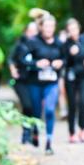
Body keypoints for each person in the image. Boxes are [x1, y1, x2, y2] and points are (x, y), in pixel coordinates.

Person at [27, 16, 65, 155]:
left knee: (49, 110)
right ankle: (35, 132)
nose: (49, 29)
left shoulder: (59, 44)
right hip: (35, 82)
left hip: (52, 82)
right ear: (41, 27)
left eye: (52, 26)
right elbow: (23, 60)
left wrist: (60, 63)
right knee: (36, 112)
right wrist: (36, 64)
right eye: (46, 26)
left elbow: (66, 58)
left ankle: (49, 142)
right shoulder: (33, 42)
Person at [9, 21, 40, 146]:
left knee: (36, 106)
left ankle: (35, 132)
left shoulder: (40, 44)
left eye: (35, 31)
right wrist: (12, 69)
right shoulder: (20, 45)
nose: (32, 33)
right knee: (27, 105)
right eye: (30, 31)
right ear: (26, 31)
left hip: (35, 80)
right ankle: (26, 131)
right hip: (21, 80)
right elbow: (11, 58)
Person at [63, 18, 84, 143]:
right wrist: (69, 54)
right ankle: (72, 132)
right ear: (68, 31)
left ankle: (82, 129)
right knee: (72, 104)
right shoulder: (65, 45)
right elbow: (63, 61)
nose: (73, 31)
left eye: (75, 29)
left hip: (83, 76)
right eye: (70, 29)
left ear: (79, 29)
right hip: (70, 76)